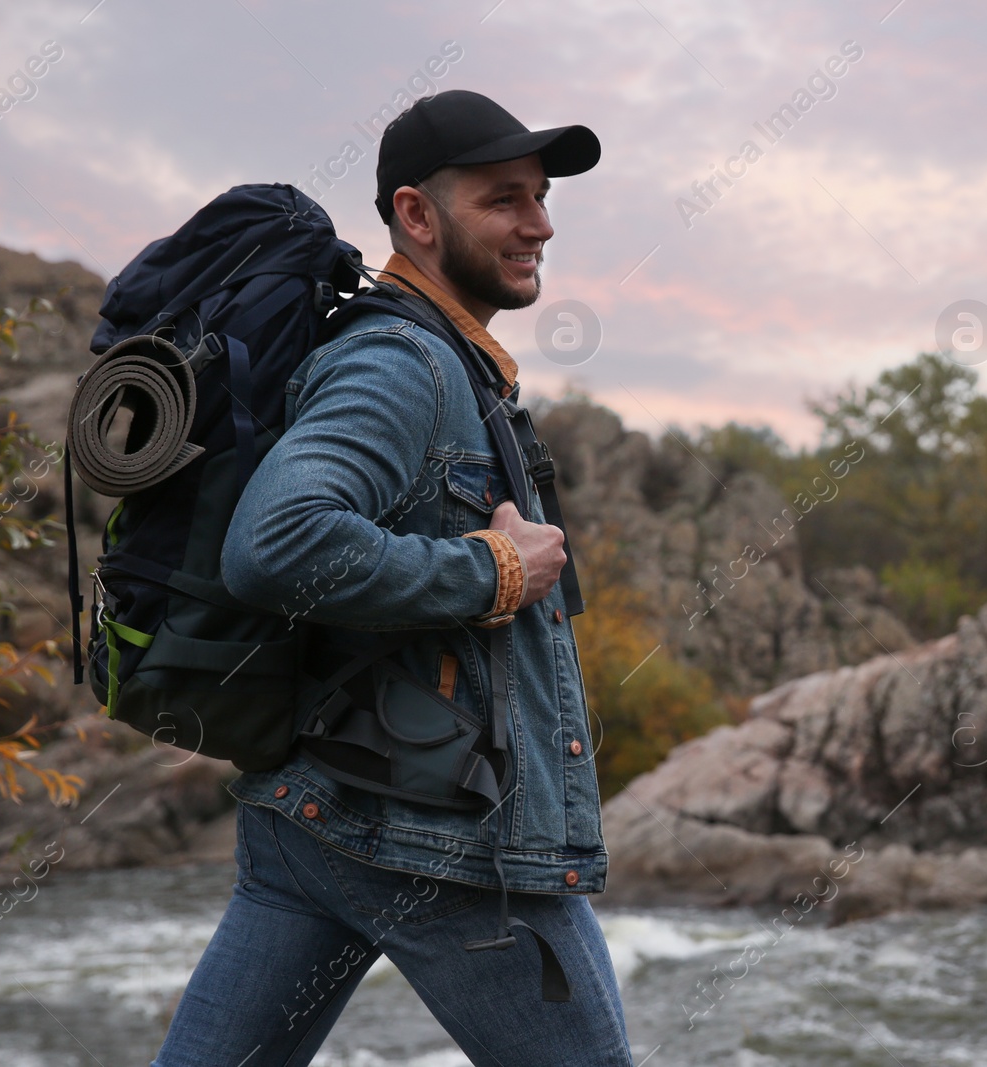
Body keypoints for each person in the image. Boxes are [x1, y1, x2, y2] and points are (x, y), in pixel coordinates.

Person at [152, 90, 632, 1065]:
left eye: (540, 197)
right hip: (437, 838)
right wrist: (492, 568)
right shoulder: (401, 360)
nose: (539, 223)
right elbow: (275, 543)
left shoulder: (445, 358)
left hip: (313, 819)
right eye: (505, 198)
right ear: (416, 215)